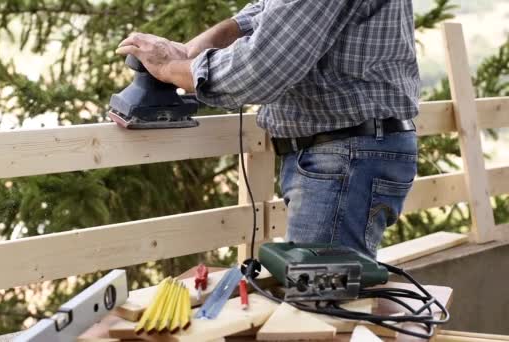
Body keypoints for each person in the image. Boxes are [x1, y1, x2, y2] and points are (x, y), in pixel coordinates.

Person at [116, 0, 419, 258]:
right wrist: (196, 49)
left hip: (345, 155)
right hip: (348, 151)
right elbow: (272, 9)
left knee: (323, 307)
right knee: (332, 298)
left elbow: (262, 68)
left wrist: (170, 68)